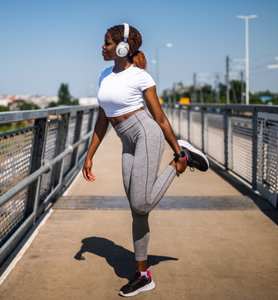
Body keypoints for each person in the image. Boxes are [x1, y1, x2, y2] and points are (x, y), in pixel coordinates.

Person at [82, 23, 209, 297]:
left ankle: (182, 159)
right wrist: (89, 156)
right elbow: (102, 121)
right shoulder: (104, 76)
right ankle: (143, 275)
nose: (102, 47)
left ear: (123, 47)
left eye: (106, 43)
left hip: (145, 134)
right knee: (137, 211)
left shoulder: (141, 77)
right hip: (126, 141)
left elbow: (160, 118)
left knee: (142, 201)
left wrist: (174, 148)